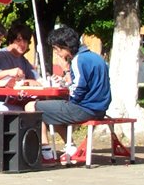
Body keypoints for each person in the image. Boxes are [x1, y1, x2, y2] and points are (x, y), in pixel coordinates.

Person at [25, 26, 111, 165]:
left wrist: (66, 85)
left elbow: (78, 90)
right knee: (52, 106)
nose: (57, 53)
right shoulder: (97, 58)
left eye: (57, 49)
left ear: (64, 46)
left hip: (83, 109)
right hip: (100, 109)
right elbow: (87, 83)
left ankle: (45, 152)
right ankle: (70, 146)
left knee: (32, 106)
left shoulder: (78, 60)